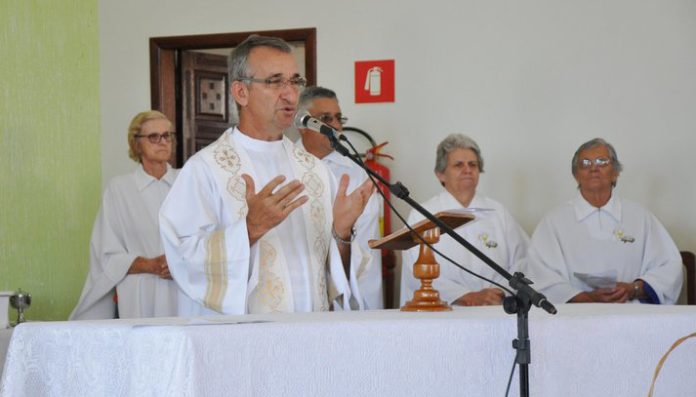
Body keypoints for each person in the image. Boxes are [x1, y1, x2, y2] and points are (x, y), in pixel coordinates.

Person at [159, 36, 374, 316]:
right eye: (275, 81)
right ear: (240, 92)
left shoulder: (315, 171)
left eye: (295, 81)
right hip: (245, 341)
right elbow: (183, 258)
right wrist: (249, 229)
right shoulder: (206, 168)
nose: (290, 94)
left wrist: (342, 233)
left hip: (312, 334)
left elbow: (335, 276)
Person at [524, 138, 683, 304]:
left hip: (632, 315)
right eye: (585, 163)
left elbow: (669, 266)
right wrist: (586, 298)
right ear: (575, 175)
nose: (593, 168)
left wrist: (633, 289)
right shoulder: (554, 222)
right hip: (575, 318)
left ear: (616, 172)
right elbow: (540, 275)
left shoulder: (640, 217)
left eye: (602, 161)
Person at [70, 110, 178, 319]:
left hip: (182, 290)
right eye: (153, 137)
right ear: (136, 144)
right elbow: (107, 253)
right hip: (139, 294)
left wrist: (181, 264)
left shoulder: (187, 183)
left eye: (167, 135)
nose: (162, 142)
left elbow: (207, 239)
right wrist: (151, 265)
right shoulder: (120, 189)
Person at [400, 134, 530, 306]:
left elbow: (524, 259)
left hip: (495, 308)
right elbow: (415, 271)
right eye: (458, 165)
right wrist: (468, 296)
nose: (467, 169)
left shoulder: (497, 212)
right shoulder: (423, 214)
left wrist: (500, 291)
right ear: (440, 174)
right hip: (445, 311)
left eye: (473, 164)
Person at [296, 86, 384, 309]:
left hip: (351, 289)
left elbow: (366, 245)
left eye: (338, 117)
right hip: (299, 292)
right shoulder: (285, 166)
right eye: (326, 118)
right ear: (302, 124)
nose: (335, 125)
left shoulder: (357, 174)